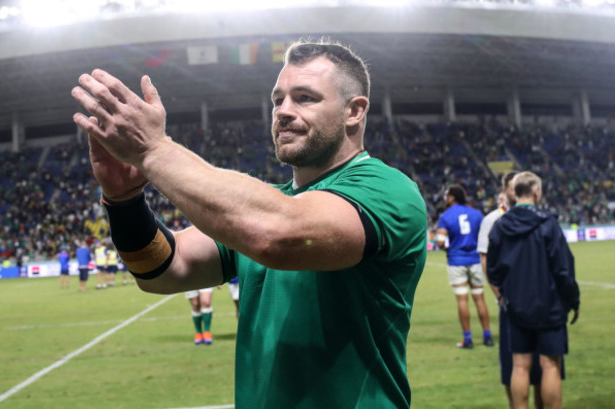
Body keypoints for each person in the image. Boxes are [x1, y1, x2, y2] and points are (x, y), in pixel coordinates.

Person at [71, 40, 427, 408]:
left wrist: (154, 151)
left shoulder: (387, 190)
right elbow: (163, 269)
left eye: (305, 97)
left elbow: (280, 236)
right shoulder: (264, 208)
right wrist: (124, 201)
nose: (283, 112)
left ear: (354, 111)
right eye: (278, 100)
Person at [487, 171, 580, 409]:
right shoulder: (548, 224)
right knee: (550, 366)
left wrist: (505, 295)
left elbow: (493, 270)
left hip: (516, 306)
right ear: (536, 191)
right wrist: (573, 301)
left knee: (519, 366)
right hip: (549, 306)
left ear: (514, 192)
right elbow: (563, 270)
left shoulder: (500, 226)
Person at [436, 184, 492, 349]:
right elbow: (484, 237)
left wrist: (447, 247)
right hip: (475, 260)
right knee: (479, 298)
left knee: (462, 299)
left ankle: (468, 339)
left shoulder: (445, 216)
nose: (445, 198)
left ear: (453, 197)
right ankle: (487, 336)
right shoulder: (476, 214)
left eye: (447, 195)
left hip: (456, 261)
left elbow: (439, 241)